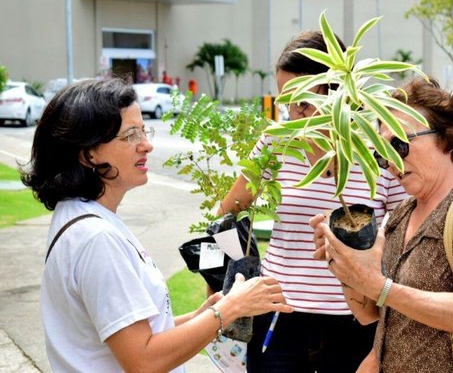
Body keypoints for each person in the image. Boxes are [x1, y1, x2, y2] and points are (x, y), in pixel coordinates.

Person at [20, 78, 293, 372]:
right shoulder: (97, 240)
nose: (147, 145)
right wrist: (230, 309)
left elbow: (131, 335)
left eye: (143, 131)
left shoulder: (82, 218)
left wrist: (204, 315)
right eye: (130, 135)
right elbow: (144, 360)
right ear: (89, 153)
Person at [218, 31, 408, 372]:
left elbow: (406, 229)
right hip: (279, 316)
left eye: (302, 100)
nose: (293, 112)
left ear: (334, 90)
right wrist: (233, 274)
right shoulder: (275, 142)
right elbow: (228, 212)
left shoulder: (378, 149)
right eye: (284, 101)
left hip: (356, 321)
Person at [310, 76, 453, 372]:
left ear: (447, 137)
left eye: (400, 145)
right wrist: (345, 263)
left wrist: (380, 287)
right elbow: (372, 314)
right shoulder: (402, 213)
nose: (391, 162)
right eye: (382, 154)